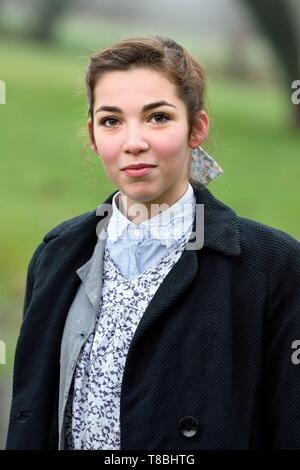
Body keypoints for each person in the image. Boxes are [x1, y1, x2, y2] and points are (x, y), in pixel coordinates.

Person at [5, 36, 300, 451]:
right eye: (111, 121)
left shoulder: (273, 267)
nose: (133, 142)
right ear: (93, 136)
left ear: (196, 128)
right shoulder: (56, 255)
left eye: (157, 117)